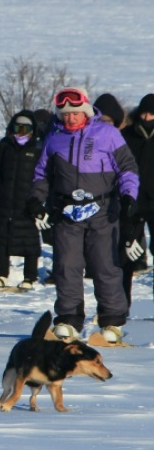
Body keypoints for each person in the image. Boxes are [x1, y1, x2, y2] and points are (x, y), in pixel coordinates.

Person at [28, 87, 139, 343]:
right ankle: (68, 319)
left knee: (105, 266)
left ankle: (112, 322)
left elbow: (127, 167)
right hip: (66, 212)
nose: (70, 118)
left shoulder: (107, 134)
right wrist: (36, 199)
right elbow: (42, 174)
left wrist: (129, 196)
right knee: (66, 266)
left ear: (86, 111)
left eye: (75, 113)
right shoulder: (54, 137)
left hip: (102, 211)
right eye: (65, 114)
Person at [0, 111, 43, 291]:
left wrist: (38, 197)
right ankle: (0, 274)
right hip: (6, 201)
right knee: (1, 238)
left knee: (29, 239)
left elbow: (43, 174)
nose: (21, 132)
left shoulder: (38, 148)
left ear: (32, 130)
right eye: (17, 127)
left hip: (28, 203)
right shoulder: (5, 145)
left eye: (25, 128)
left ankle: (30, 276)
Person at [121, 93, 154, 306]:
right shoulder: (127, 136)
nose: (147, 117)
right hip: (131, 200)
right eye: (144, 113)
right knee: (127, 255)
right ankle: (121, 305)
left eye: (151, 114)